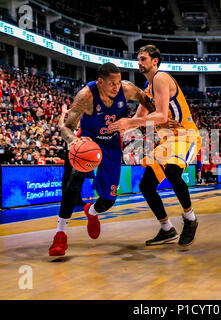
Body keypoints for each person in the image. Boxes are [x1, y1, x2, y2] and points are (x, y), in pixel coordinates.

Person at [49, 62, 156, 256]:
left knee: (108, 200)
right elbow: (66, 127)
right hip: (88, 142)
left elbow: (148, 101)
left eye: (118, 82)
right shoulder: (86, 95)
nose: (117, 87)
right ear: (100, 82)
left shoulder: (127, 89)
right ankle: (60, 234)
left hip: (112, 145)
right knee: (72, 184)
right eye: (112, 83)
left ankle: (92, 212)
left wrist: (143, 120)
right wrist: (74, 141)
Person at [109, 44, 201, 246]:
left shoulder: (161, 78)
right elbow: (138, 118)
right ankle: (167, 229)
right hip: (168, 140)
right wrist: (117, 127)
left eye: (143, 58)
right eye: (139, 59)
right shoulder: (147, 89)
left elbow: (159, 115)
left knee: (173, 172)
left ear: (155, 61)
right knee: (146, 185)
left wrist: (132, 123)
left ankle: (190, 219)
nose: (139, 62)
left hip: (185, 135)